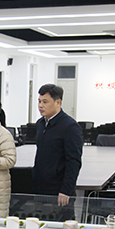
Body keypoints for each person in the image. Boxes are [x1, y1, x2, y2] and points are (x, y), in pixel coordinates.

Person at [33, 84, 83, 220]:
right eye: (39, 101)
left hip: (59, 191)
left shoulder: (70, 126)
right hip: (41, 188)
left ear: (58, 102)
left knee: (61, 227)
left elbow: (74, 161)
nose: (40, 105)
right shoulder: (40, 124)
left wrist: (66, 190)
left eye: (45, 102)